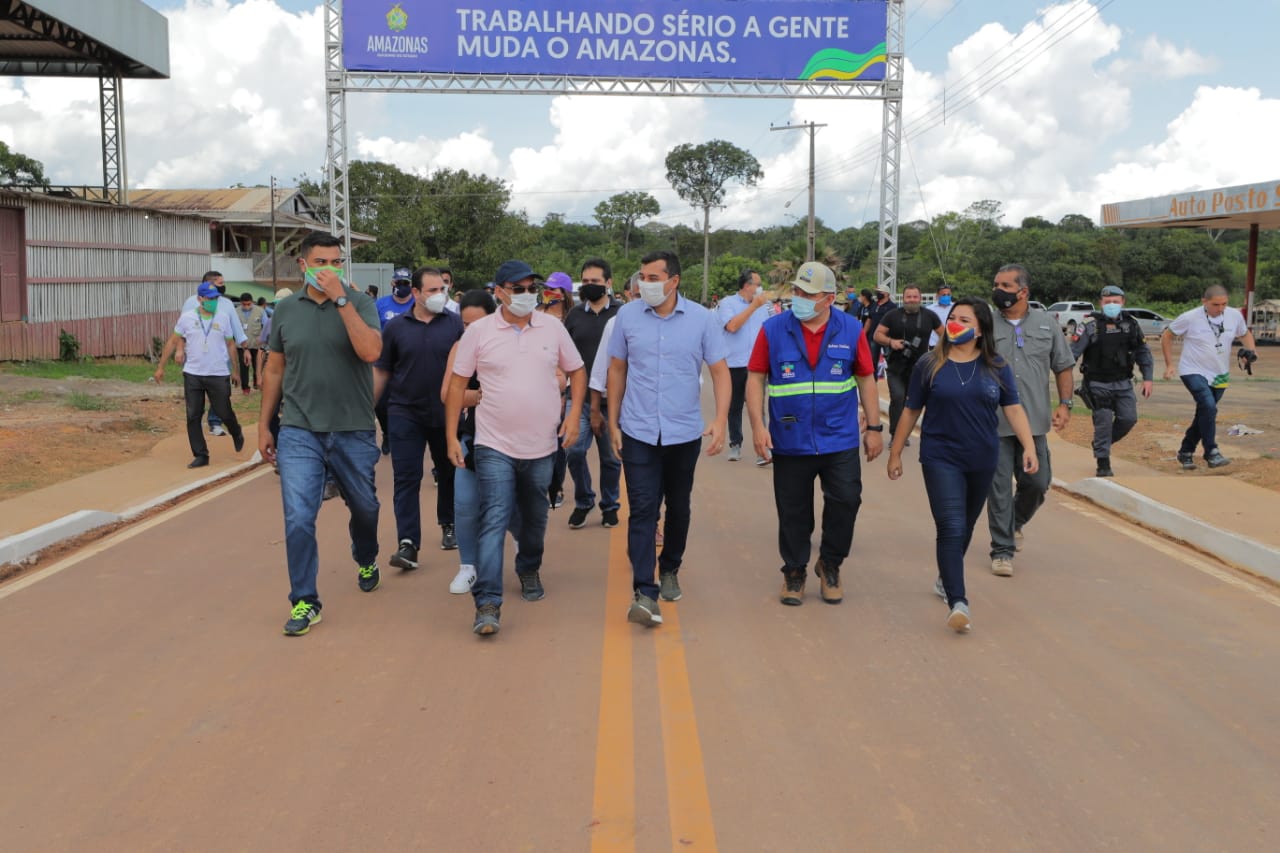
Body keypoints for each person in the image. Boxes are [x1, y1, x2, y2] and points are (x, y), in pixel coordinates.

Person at [444, 260, 585, 636]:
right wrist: (449, 439)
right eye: (517, 288)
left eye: (530, 288)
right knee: (494, 515)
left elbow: (577, 370)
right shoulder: (480, 333)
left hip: (542, 444)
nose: (526, 295)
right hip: (492, 443)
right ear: (500, 292)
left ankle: (528, 567)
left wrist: (572, 418)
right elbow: (457, 385)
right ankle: (488, 602)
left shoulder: (552, 328)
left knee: (535, 518)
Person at [887, 297, 1038, 633]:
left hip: (983, 457)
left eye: (964, 319)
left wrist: (1029, 446)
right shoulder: (930, 364)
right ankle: (959, 600)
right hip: (941, 456)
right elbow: (910, 411)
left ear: (980, 328)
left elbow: (1013, 408)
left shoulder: (996, 366)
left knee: (966, 526)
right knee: (951, 526)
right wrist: (896, 452)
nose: (955, 322)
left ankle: (946, 576)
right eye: (952, 317)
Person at [258, 232, 383, 637]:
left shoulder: (360, 302)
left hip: (353, 428)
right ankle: (305, 601)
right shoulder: (286, 310)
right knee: (298, 518)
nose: (329, 269)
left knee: (365, 508)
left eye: (335, 262)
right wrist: (265, 424)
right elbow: (275, 369)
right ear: (303, 265)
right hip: (299, 429)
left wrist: (341, 299)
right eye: (321, 262)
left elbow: (370, 352)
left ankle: (365, 554)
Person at [745, 262, 884, 606]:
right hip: (789, 438)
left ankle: (830, 563)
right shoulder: (774, 329)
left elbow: (866, 377)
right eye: (797, 291)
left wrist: (875, 427)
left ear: (829, 298)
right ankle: (794, 571)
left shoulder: (851, 330)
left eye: (808, 294)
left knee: (847, 501)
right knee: (793, 511)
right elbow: (755, 377)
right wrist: (758, 426)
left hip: (839, 438)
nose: (800, 298)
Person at [607, 250, 730, 627]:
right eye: (642, 277)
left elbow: (720, 372)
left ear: (673, 281)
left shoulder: (702, 320)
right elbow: (616, 369)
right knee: (643, 507)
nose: (645, 283)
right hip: (638, 429)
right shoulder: (626, 316)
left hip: (682, 431)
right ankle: (645, 591)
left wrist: (721, 419)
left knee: (678, 505)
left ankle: (670, 566)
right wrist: (612, 422)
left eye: (653, 277)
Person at [374, 267, 465, 572]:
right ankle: (408, 543)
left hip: (445, 414)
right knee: (406, 478)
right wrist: (366, 410)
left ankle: (448, 523)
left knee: (449, 471)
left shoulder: (456, 325)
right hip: (404, 412)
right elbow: (383, 371)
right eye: (432, 291)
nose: (440, 295)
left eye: (442, 289)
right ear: (415, 293)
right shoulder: (396, 328)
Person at [987, 263, 1074, 577]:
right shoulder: (986, 324)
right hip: (992, 423)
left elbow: (1063, 366)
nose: (998, 290)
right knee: (997, 489)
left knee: (1037, 483)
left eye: (1005, 286)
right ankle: (1002, 550)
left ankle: (1014, 524)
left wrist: (1065, 404)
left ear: (1023, 292)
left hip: (1033, 423)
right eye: (996, 284)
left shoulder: (1046, 324)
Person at [1161, 284, 1258, 470]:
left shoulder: (1234, 316)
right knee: (1208, 405)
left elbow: (1245, 334)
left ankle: (1186, 451)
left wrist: (1252, 352)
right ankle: (1211, 452)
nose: (1220, 308)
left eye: (1224, 304)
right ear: (1204, 302)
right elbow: (1167, 336)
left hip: (1220, 373)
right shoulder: (1189, 317)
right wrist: (1169, 364)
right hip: (1192, 370)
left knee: (1206, 412)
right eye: (1215, 304)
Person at [152, 281, 246, 468]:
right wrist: (160, 366)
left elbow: (230, 344)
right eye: (209, 299)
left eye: (216, 299)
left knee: (223, 411)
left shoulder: (223, 317)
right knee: (193, 414)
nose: (213, 302)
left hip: (218, 373)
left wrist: (235, 371)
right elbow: (173, 341)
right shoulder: (187, 318)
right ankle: (201, 454)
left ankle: (236, 431)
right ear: (200, 299)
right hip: (193, 373)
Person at [441, 289, 497, 595]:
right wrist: (475, 396)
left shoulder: (513, 344)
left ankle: (527, 559)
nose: (471, 330)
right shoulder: (460, 348)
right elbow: (447, 392)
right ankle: (468, 566)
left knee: (514, 507)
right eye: (466, 324)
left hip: (510, 439)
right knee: (464, 503)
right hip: (471, 436)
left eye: (478, 323)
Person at [1070, 285, 1155, 477]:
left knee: (1128, 419)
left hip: (1124, 383)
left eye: (1115, 302)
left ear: (1123, 302)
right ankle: (1103, 462)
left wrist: (1148, 378)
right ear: (1101, 303)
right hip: (1097, 383)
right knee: (1104, 422)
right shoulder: (1090, 326)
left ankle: (1102, 444)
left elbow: (1143, 352)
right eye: (1107, 302)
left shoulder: (1131, 324)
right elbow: (1072, 354)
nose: (1111, 305)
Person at [563, 258, 622, 530]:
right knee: (573, 451)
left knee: (611, 457)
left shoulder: (622, 316)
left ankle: (610, 505)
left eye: (595, 282)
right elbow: (562, 353)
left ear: (608, 283)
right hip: (580, 399)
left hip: (614, 402)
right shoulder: (574, 315)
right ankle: (584, 500)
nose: (589, 286)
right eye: (585, 282)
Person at [179, 271, 248, 436]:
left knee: (220, 393)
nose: (223, 287)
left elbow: (236, 327)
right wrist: (180, 350)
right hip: (196, 357)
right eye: (220, 283)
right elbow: (182, 330)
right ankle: (197, 422)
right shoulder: (190, 302)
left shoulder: (227, 304)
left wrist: (245, 348)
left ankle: (215, 422)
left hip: (220, 356)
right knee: (197, 396)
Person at [873, 284, 942, 446]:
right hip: (896, 367)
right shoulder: (892, 315)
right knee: (897, 399)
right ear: (903, 298)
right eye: (908, 297)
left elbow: (944, 335)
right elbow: (877, 335)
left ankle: (908, 434)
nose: (912, 300)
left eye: (915, 297)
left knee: (914, 402)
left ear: (920, 298)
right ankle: (895, 435)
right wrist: (891, 342)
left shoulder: (930, 316)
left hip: (919, 369)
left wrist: (936, 353)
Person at [716, 269, 774, 464]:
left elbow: (771, 329)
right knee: (735, 406)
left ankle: (763, 450)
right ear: (746, 286)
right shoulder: (727, 304)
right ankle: (735, 445)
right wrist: (753, 307)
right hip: (734, 363)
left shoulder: (765, 306)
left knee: (758, 407)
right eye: (757, 284)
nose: (760, 288)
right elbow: (732, 326)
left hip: (757, 365)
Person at [540, 271, 574, 509]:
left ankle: (556, 485)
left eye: (554, 289)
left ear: (564, 294)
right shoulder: (536, 315)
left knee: (559, 440)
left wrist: (562, 392)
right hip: (536, 386)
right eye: (546, 289)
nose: (548, 293)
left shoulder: (571, 319)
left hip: (562, 386)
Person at [236, 292, 266, 393]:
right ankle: (245, 387)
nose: (246, 306)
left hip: (256, 344)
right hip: (241, 345)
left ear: (252, 302)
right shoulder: (235, 312)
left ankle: (257, 382)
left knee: (257, 364)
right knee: (244, 365)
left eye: (249, 304)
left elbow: (265, 326)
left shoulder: (260, 311)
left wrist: (262, 338)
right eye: (244, 304)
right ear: (241, 303)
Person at [865, 284, 897, 376]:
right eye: (877, 292)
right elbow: (869, 320)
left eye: (880, 292)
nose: (878, 294)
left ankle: (893, 379)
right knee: (872, 361)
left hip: (886, 338)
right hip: (873, 337)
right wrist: (863, 333)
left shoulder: (892, 306)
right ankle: (873, 382)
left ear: (886, 294)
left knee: (890, 359)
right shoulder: (874, 305)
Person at [928, 283, 953, 347]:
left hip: (951, 344)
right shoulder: (930, 309)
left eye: (948, 295)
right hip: (934, 344)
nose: (946, 297)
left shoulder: (956, 307)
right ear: (937, 296)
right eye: (944, 295)